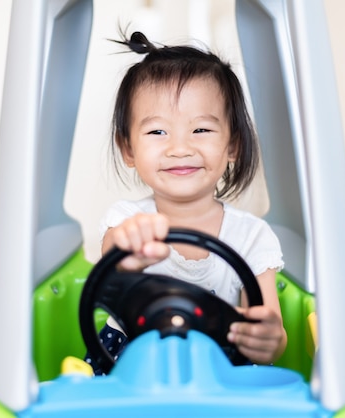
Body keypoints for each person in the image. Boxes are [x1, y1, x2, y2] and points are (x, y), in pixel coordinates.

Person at [85, 30, 286, 375]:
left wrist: (268, 339)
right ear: (128, 149)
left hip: (217, 374)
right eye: (157, 132)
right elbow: (112, 262)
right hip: (133, 369)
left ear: (233, 145)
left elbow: (270, 334)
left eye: (201, 130)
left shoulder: (253, 236)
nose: (180, 148)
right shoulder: (128, 218)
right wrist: (128, 247)